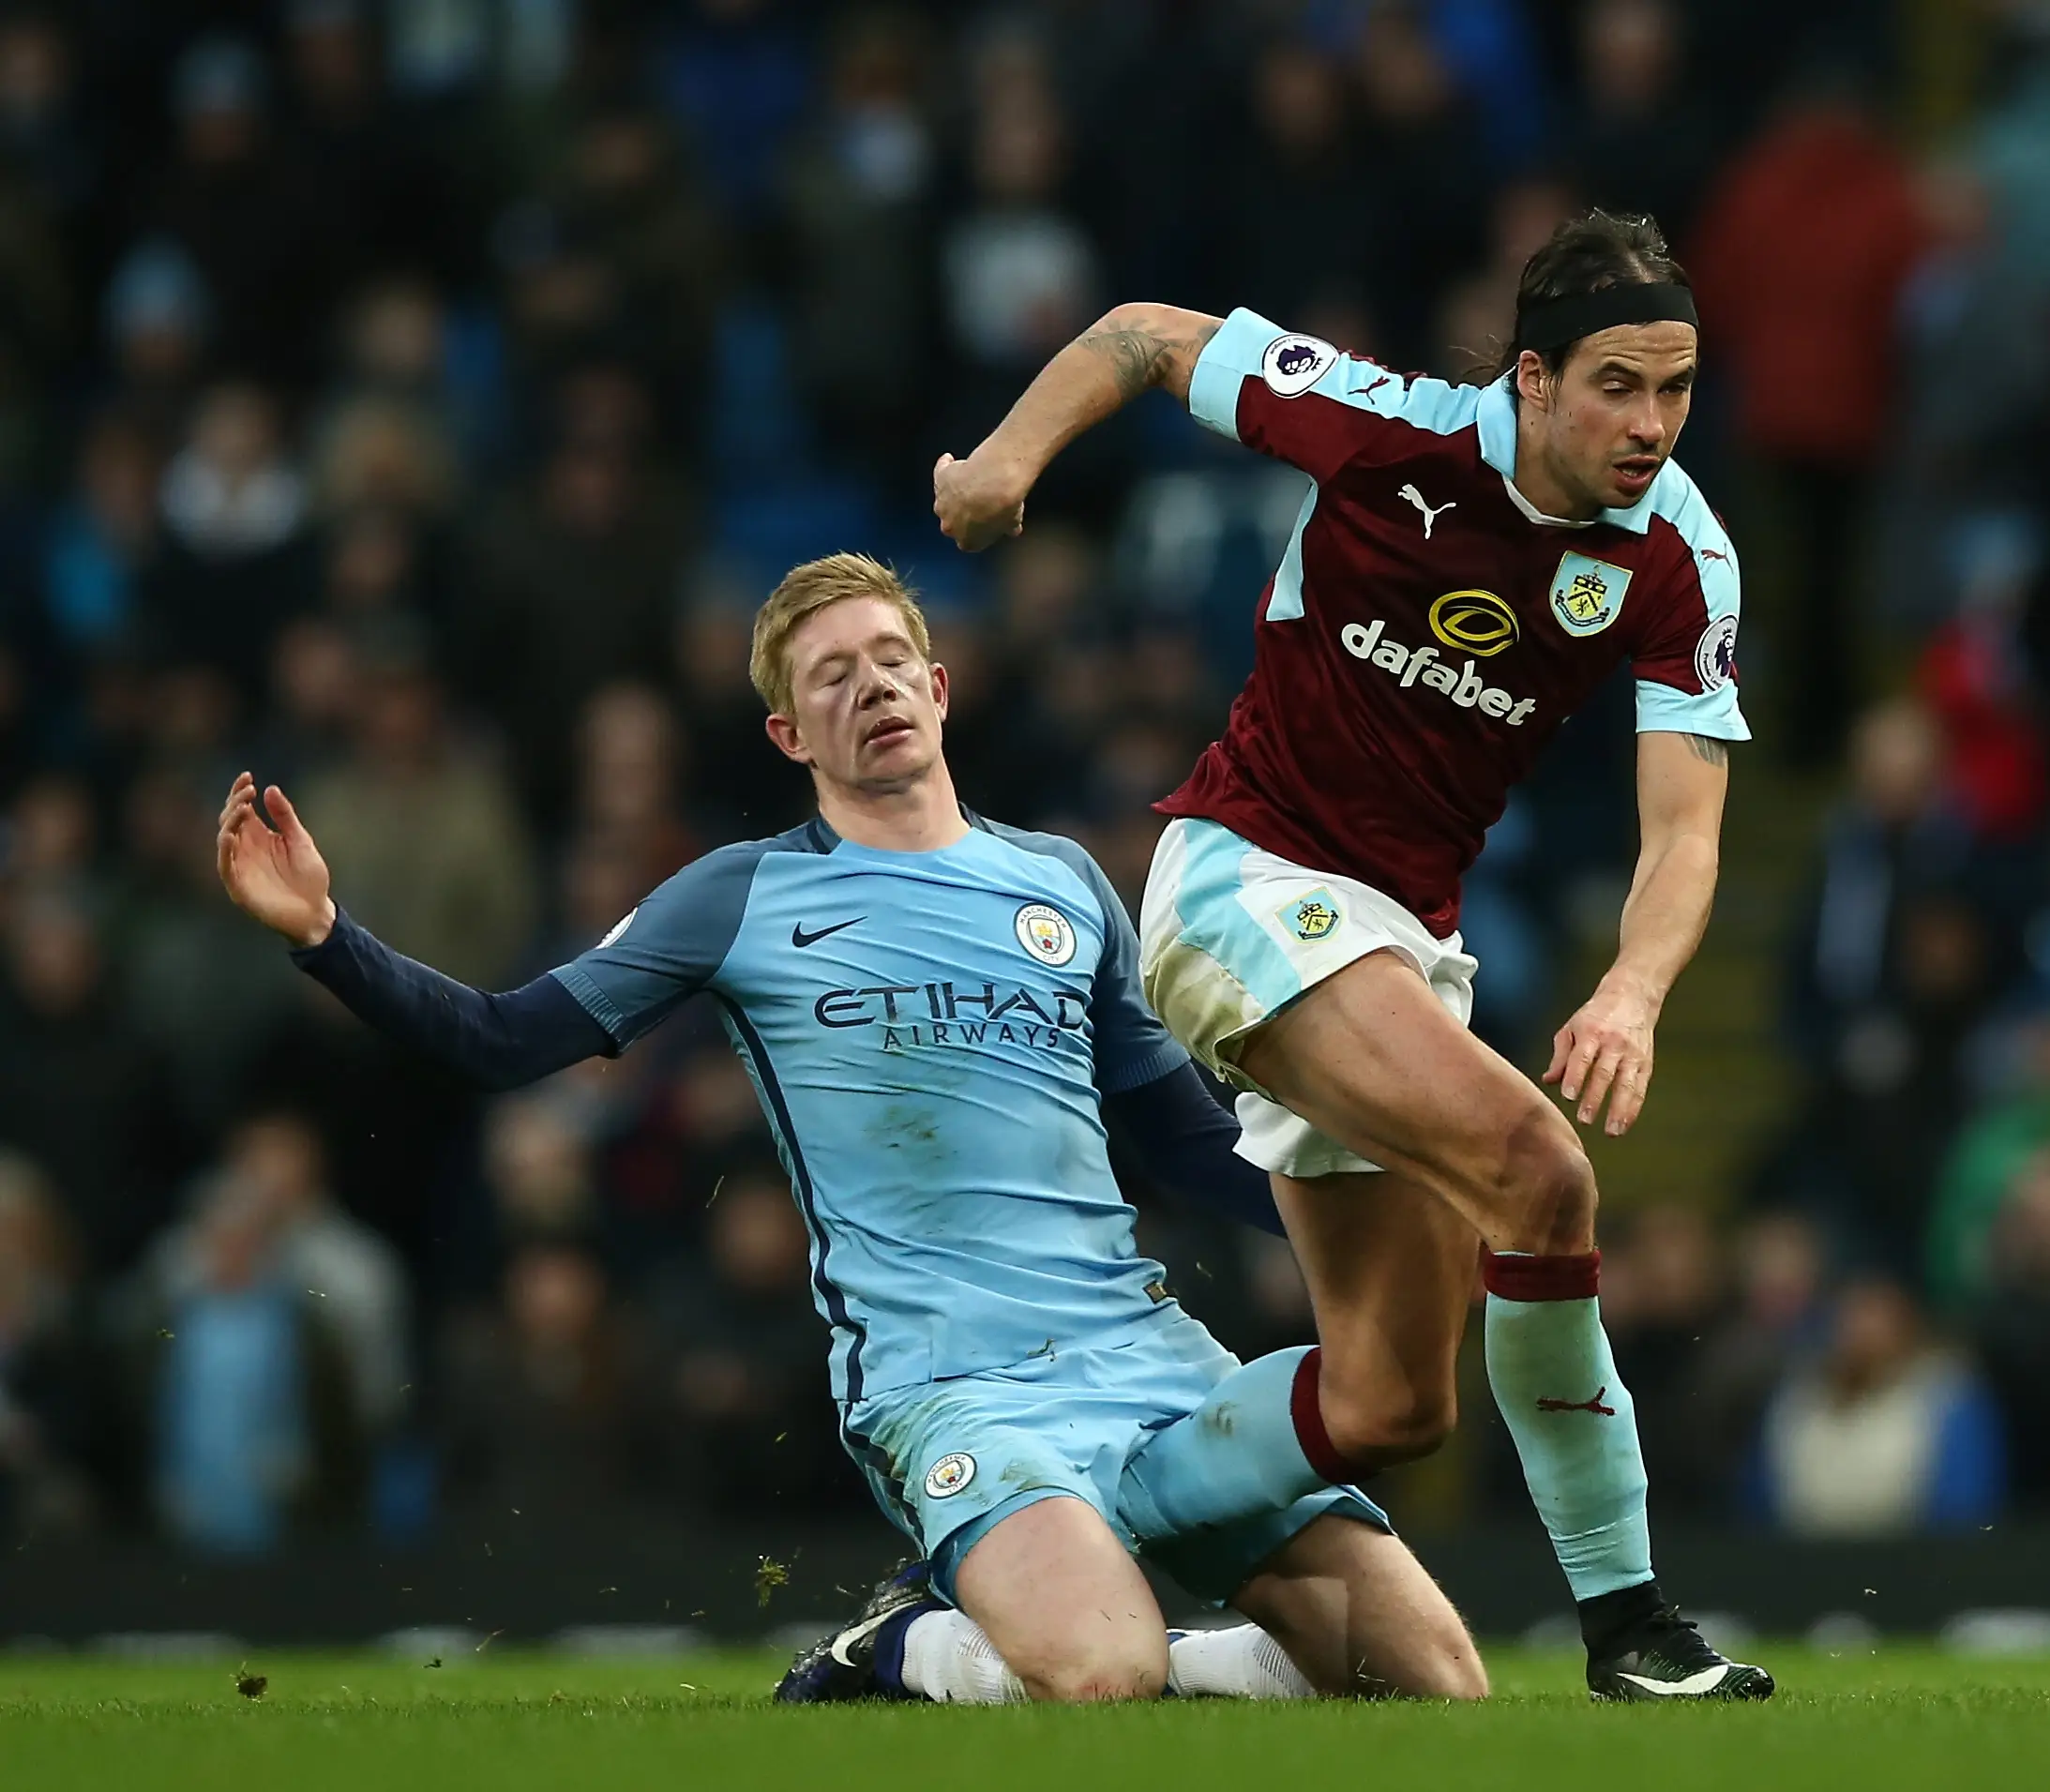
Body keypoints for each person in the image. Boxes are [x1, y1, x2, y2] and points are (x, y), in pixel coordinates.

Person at [216, 553, 1484, 1706]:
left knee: (1436, 1682)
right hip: (951, 1387)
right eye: (832, 675)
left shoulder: (1062, 881)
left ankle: (1173, 1656)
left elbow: (1187, 1139)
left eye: (888, 659)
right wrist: (329, 940)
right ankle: (888, 1645)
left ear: (936, 686)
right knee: (1101, 1674)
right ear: (787, 729)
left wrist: (1396, 1214)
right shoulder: (741, 893)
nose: (869, 685)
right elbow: (501, 1039)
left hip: (1148, 1362)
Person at [933, 209, 1772, 1699]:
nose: (1652, 426)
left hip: (1401, 932)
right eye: (1617, 387)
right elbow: (1145, 329)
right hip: (1243, 875)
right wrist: (1006, 460)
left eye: (1678, 388)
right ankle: (1632, 1626)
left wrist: (1634, 990)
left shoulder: (1676, 558)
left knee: (1389, 1400)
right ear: (1530, 378)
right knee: (1542, 1170)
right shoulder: (1391, 431)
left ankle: (1074, 1525)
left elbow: (1686, 834)